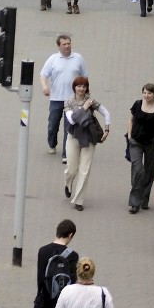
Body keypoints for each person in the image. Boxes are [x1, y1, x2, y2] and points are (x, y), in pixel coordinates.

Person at [63, 77, 111, 211]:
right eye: (79, 86)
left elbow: (106, 113)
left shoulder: (91, 101)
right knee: (71, 169)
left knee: (84, 170)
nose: (81, 89)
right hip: (73, 137)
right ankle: (68, 183)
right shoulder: (68, 102)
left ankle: (78, 200)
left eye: (84, 86)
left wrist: (107, 129)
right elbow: (72, 121)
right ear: (74, 87)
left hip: (89, 138)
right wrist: (84, 108)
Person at [40, 35, 89, 162]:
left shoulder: (78, 58)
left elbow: (84, 76)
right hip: (56, 98)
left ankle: (66, 154)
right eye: (64, 44)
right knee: (52, 124)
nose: (67, 46)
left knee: (69, 127)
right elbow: (43, 74)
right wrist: (45, 86)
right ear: (59, 46)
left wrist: (85, 93)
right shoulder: (53, 59)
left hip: (73, 100)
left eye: (69, 43)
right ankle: (52, 143)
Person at [127, 83, 154, 214]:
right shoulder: (137, 104)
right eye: (144, 92)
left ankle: (144, 199)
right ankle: (134, 202)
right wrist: (129, 135)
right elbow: (130, 119)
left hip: (151, 143)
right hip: (135, 141)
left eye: (149, 93)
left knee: (149, 171)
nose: (146, 95)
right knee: (138, 169)